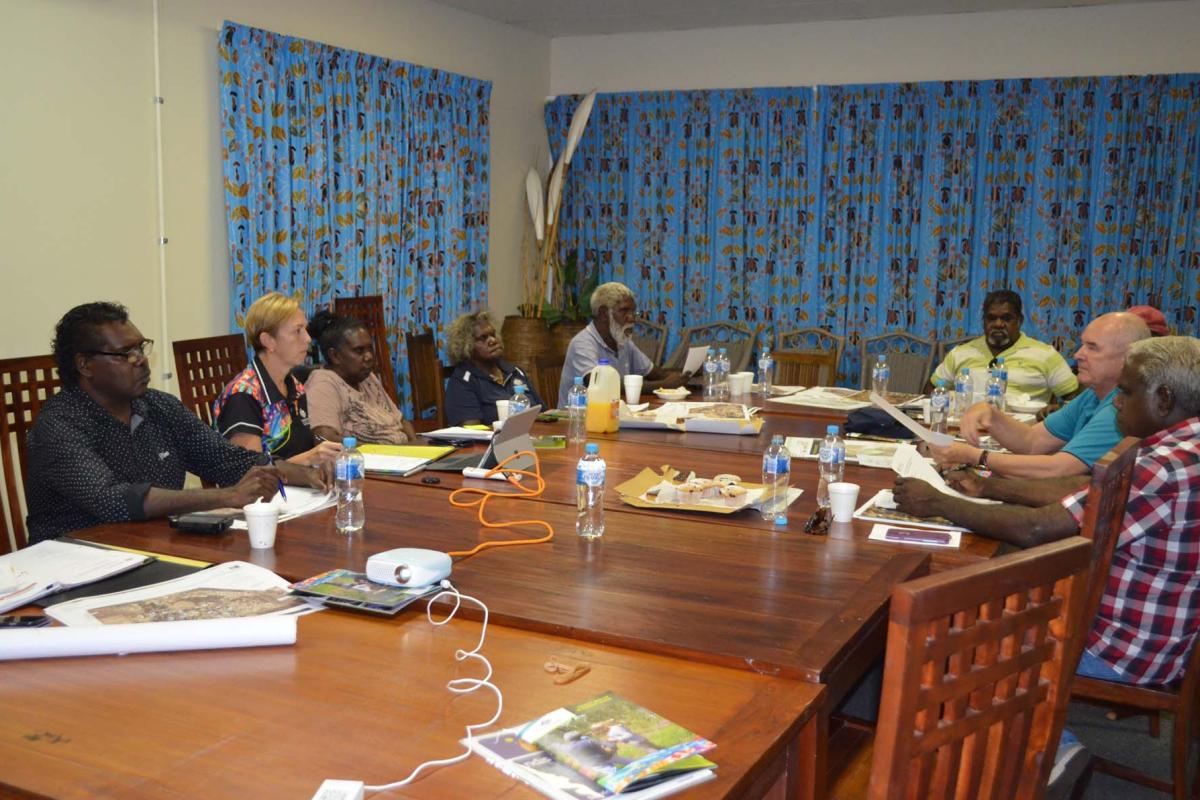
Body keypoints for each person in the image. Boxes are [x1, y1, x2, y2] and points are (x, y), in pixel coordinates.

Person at [895, 336, 1200, 687]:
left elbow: (1037, 529)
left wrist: (938, 502)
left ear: (1163, 399)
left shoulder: (1163, 467)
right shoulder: (1179, 448)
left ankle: (1045, 738)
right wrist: (988, 486)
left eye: (1127, 392)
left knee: (949, 625)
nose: (1117, 403)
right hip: (1146, 634)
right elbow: (1086, 489)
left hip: (1115, 650)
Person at [25, 302, 329, 543]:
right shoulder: (60, 424)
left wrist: (303, 474)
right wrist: (225, 496)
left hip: (152, 546)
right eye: (124, 354)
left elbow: (224, 458)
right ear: (84, 365)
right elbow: (112, 500)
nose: (140, 360)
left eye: (140, 349)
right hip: (77, 563)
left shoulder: (159, 406)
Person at [931, 312, 1149, 478]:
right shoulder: (1093, 394)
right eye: (1083, 345)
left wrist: (974, 456)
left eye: (1093, 348)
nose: (1078, 355)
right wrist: (990, 414)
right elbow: (1033, 441)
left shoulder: (1121, 408)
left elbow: (1058, 469)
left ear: (1127, 358)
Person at [213, 292, 340, 465]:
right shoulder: (243, 395)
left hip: (300, 487)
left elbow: (301, 446)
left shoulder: (294, 385)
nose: (308, 338)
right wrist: (311, 458)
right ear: (268, 341)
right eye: (297, 331)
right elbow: (251, 473)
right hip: (262, 491)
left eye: (305, 329)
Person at [928, 289, 1079, 404]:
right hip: (966, 430)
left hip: (1025, 436)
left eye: (1006, 318)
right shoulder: (961, 353)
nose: (998, 324)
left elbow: (1075, 397)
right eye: (991, 318)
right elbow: (930, 392)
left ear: (1019, 321)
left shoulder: (1045, 355)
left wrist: (1057, 411)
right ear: (984, 321)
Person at [558, 281, 689, 408]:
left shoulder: (623, 342)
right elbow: (599, 384)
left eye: (633, 312)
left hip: (613, 415)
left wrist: (684, 374)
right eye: (624, 311)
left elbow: (654, 373)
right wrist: (664, 385)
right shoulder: (582, 343)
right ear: (604, 313)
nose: (632, 318)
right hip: (575, 421)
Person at [303, 310, 417, 444]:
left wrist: (417, 447)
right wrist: (382, 453)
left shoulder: (366, 377)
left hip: (403, 457)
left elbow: (401, 420)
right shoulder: (323, 383)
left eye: (370, 349)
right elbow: (325, 438)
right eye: (359, 351)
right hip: (371, 461)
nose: (369, 357)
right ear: (335, 356)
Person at [443, 310, 543, 426]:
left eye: (493, 335)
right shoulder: (463, 381)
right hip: (493, 442)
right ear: (467, 346)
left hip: (533, 437)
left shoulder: (515, 371)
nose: (493, 341)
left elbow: (543, 412)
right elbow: (472, 432)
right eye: (483, 338)